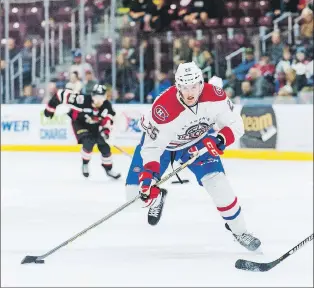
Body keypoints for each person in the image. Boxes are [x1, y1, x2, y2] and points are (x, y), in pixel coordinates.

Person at [125, 62, 261, 252]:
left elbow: (236, 125)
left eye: (194, 86)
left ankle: (240, 231)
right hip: (164, 147)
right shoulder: (163, 108)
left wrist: (219, 140)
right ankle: (156, 198)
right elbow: (152, 147)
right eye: (185, 87)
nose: (190, 92)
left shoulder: (215, 95)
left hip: (197, 143)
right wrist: (148, 176)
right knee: (134, 197)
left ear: (201, 83)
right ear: (177, 86)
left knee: (218, 184)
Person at [43, 84, 121, 180]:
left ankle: (108, 169)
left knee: (105, 147)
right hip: (79, 123)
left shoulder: (107, 106)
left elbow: (108, 121)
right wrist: (50, 109)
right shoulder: (81, 100)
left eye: (102, 97)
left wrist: (105, 132)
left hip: (95, 126)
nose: (99, 100)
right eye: (96, 96)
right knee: (88, 141)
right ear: (92, 95)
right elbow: (60, 94)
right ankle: (85, 164)